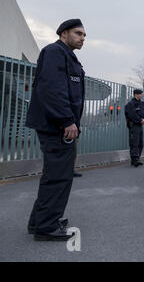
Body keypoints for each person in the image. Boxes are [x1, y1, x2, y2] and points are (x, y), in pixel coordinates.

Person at [25, 19, 86, 241]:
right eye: (78, 33)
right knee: (58, 177)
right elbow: (52, 89)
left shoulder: (67, 56)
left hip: (59, 125)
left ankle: (40, 221)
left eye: (84, 35)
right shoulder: (54, 52)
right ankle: (46, 227)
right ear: (64, 33)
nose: (82, 38)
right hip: (56, 126)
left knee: (55, 175)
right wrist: (67, 121)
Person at [125, 89, 144, 167]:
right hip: (134, 126)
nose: (141, 95)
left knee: (140, 143)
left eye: (141, 94)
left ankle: (137, 158)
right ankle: (134, 160)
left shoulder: (142, 104)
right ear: (135, 94)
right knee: (134, 143)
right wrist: (139, 120)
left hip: (140, 125)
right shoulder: (130, 104)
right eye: (140, 94)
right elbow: (132, 115)